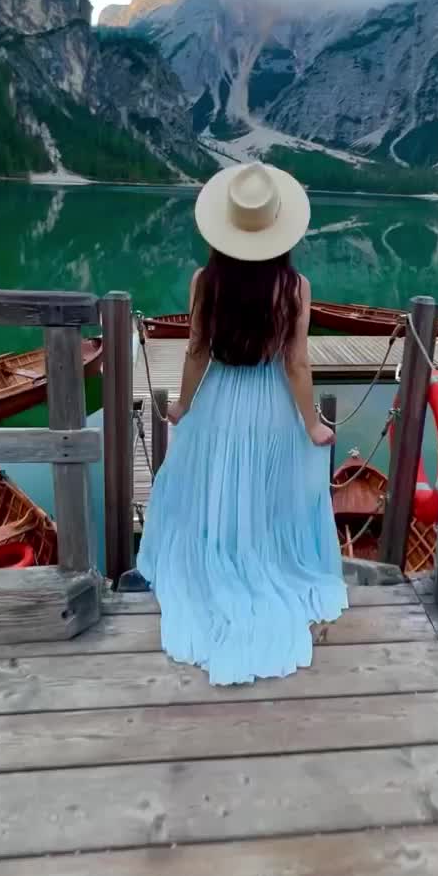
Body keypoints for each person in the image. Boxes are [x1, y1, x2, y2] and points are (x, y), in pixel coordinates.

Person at [137, 161, 348, 685]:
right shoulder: (295, 286)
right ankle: (261, 565)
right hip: (272, 403)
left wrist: (184, 407)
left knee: (213, 486)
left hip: (219, 401)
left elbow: (196, 351)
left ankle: (218, 565)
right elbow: (296, 364)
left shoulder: (205, 281)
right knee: (263, 492)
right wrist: (313, 423)